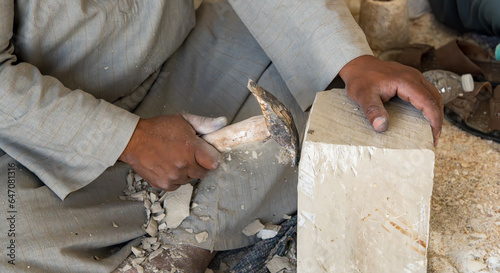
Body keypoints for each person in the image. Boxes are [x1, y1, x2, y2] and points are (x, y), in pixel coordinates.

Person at [0, 0, 443, 272]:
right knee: (11, 232)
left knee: (297, 57)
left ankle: (188, 236)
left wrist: (351, 61)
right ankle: (205, 222)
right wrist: (128, 139)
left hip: (184, 66)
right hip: (47, 130)